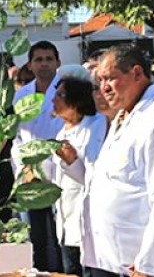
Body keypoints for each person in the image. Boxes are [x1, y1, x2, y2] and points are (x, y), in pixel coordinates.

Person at [88, 45, 154, 277]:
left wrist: (150, 263)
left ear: (137, 74)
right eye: (100, 81)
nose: (104, 88)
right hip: (114, 259)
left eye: (110, 78)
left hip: (143, 265)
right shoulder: (123, 114)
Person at [11, 41, 64, 272]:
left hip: (60, 172)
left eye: (49, 59)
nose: (44, 64)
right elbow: (17, 138)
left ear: (58, 63)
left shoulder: (65, 92)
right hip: (30, 176)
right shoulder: (21, 94)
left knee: (60, 238)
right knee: (35, 238)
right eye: (39, 59)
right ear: (30, 65)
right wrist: (26, 168)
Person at [48, 75, 107, 276]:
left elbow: (94, 179)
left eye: (60, 95)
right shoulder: (61, 132)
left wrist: (72, 161)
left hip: (88, 221)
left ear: (77, 100)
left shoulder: (96, 126)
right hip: (66, 221)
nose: (53, 100)